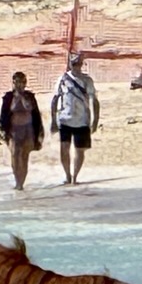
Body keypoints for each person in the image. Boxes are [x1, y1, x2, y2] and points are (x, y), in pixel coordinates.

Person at [52, 51, 100, 186]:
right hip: (65, 119)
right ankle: (67, 175)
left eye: (79, 64)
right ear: (70, 64)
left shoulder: (87, 80)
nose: (77, 66)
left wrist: (95, 120)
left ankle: (75, 177)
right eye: (74, 64)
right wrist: (53, 120)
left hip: (82, 120)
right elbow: (55, 99)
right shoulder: (63, 79)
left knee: (80, 149)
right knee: (64, 148)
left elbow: (94, 100)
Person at [0, 70, 44, 191]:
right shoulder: (8, 97)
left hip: (28, 129)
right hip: (13, 130)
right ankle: (17, 180)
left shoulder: (30, 97)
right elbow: (3, 114)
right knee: (14, 155)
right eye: (16, 82)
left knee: (24, 156)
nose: (19, 84)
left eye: (22, 82)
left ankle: (21, 182)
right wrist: (0, 131)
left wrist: (39, 132)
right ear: (13, 82)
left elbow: (36, 114)